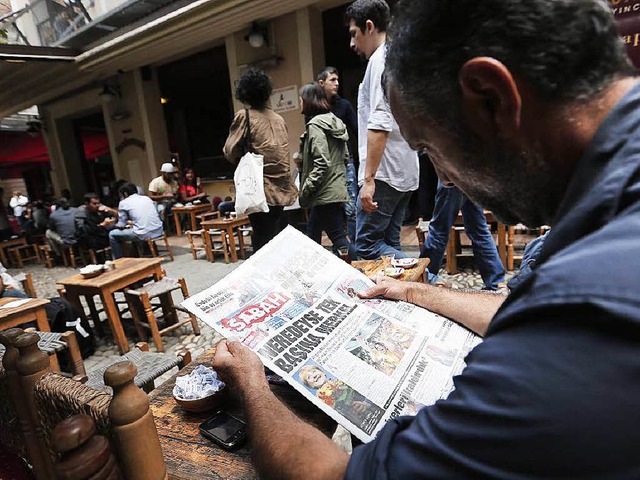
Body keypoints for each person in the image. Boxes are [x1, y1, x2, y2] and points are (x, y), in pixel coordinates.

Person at [210, 0, 640, 477]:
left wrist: (252, 383)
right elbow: (525, 311)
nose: (445, 177)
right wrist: (413, 290)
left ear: (491, 98)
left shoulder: (580, 320)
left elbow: (333, 476)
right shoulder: (603, 222)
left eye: (429, 148)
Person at [347, 0, 419, 260]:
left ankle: (426, 279)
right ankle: (410, 294)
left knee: (366, 247)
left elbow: (379, 123)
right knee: (390, 242)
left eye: (354, 34)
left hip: (384, 174)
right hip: (404, 170)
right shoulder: (398, 58)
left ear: (369, 27)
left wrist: (368, 181)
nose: (352, 44)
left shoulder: (379, 60)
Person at [223, 68, 298, 252]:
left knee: (261, 239)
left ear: (244, 93)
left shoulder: (245, 116)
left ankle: (264, 277)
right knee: (275, 234)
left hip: (259, 187)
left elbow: (229, 150)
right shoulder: (279, 119)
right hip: (281, 188)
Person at [299, 82, 356, 261]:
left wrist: (307, 186)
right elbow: (345, 157)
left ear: (308, 101)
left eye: (301, 99)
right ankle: (312, 270)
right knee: (313, 233)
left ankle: (362, 270)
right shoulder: (335, 122)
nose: (300, 103)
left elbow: (322, 161)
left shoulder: (316, 125)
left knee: (338, 236)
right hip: (335, 188)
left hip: (324, 191)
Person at [421, 183, 506, 290]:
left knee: (439, 230)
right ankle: (497, 284)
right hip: (473, 175)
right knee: (479, 230)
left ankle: (423, 279)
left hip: (452, 174)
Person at [317, 66, 359, 243]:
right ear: (321, 83)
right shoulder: (316, 106)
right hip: (325, 162)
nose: (336, 83)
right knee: (331, 208)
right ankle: (340, 248)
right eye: (332, 80)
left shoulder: (344, 105)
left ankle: (356, 249)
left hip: (345, 161)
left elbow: (357, 129)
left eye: (337, 80)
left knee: (351, 208)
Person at [109, 183, 163, 259]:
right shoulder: (146, 198)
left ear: (125, 193)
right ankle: (147, 252)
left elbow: (121, 225)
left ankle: (119, 259)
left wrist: (112, 225)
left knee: (112, 234)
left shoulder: (123, 203)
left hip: (143, 234)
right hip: (159, 230)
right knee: (139, 228)